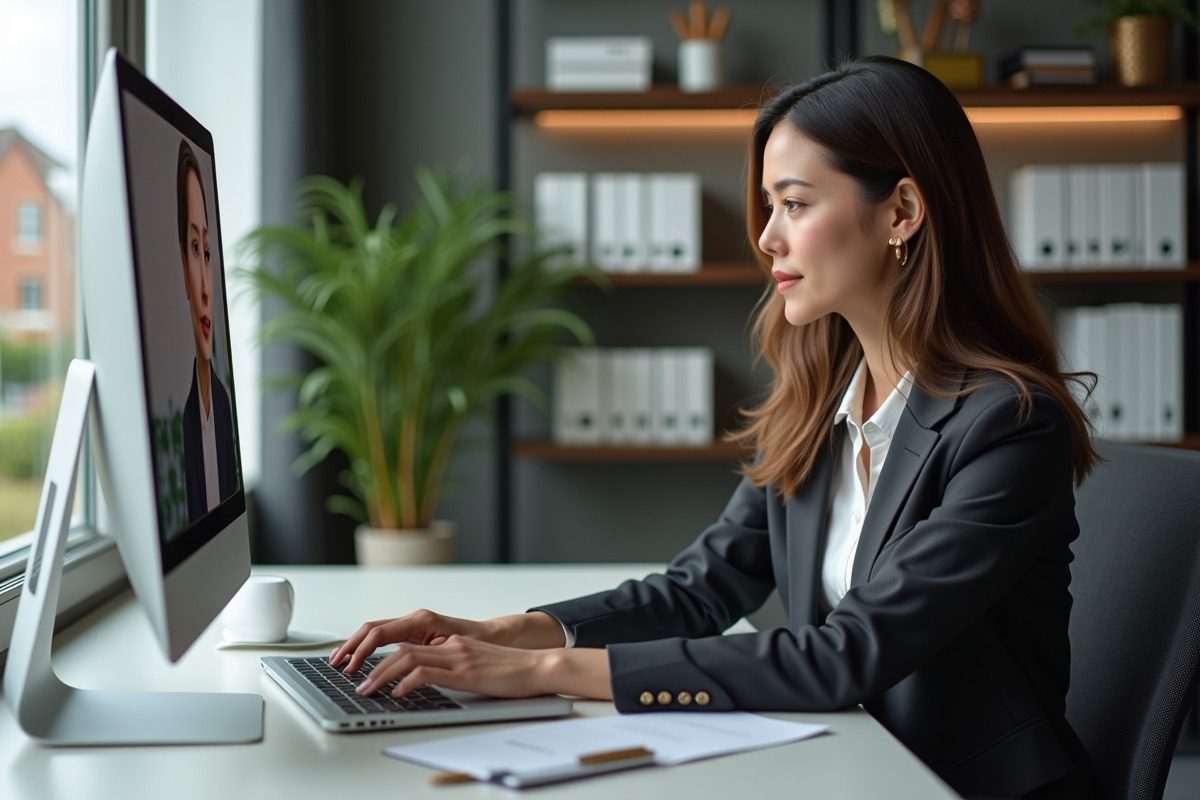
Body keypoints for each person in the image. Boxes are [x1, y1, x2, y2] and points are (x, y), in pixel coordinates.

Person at [329, 57, 1099, 799]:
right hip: (847, 764)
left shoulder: (1009, 426)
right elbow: (703, 588)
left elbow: (844, 657)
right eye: (769, 206)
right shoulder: (821, 396)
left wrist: (542, 674)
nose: (766, 237)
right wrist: (506, 634)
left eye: (794, 204)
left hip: (951, 784)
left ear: (901, 211)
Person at [177, 139, 237, 524]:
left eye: (209, 253)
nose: (204, 284)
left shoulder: (223, 404)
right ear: (182, 267)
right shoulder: (188, 419)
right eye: (195, 248)